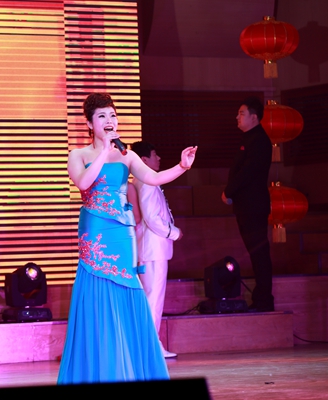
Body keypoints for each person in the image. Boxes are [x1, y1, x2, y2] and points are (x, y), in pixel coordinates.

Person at [57, 93, 197, 384]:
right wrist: (104, 151)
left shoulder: (128, 155)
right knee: (97, 292)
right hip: (95, 230)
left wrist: (182, 166)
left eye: (112, 115)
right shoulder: (78, 155)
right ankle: (100, 369)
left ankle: (127, 369)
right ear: (89, 123)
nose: (109, 121)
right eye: (102, 116)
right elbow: (83, 182)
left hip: (123, 233)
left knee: (126, 288)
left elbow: (153, 178)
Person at [127, 141, 181, 359]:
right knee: (153, 299)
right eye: (154, 154)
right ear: (144, 160)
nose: (158, 158)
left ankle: (148, 345)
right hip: (153, 249)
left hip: (149, 249)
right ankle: (151, 347)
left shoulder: (141, 181)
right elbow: (151, 217)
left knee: (151, 298)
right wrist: (173, 232)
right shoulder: (147, 182)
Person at [222, 96, 274, 312]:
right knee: (256, 254)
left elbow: (248, 172)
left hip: (254, 206)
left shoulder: (259, 140)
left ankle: (264, 300)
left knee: (259, 254)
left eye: (241, 113)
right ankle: (262, 299)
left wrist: (228, 191)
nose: (237, 117)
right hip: (247, 206)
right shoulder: (250, 139)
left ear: (254, 117)